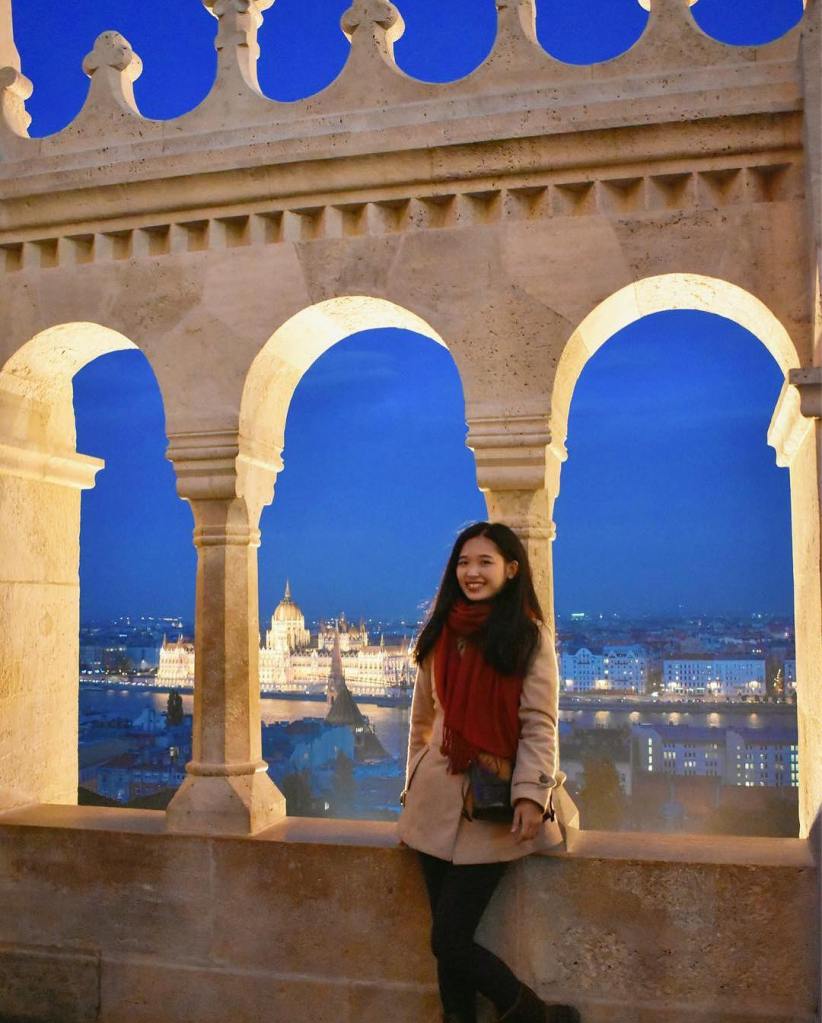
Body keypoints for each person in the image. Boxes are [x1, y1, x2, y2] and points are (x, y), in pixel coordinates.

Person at [397, 521, 580, 1023]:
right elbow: (422, 721)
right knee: (446, 942)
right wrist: (412, 784)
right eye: (463, 563)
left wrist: (530, 795)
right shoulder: (440, 632)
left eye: (484, 562)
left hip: (493, 802)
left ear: (511, 569)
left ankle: (533, 1014)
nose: (472, 573)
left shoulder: (527, 637)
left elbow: (538, 724)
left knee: (449, 939)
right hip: (434, 801)